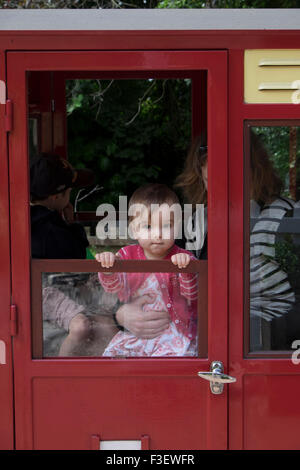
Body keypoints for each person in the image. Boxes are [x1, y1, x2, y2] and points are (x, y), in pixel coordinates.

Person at [175, 133, 297, 350]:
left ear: (254, 171)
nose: (223, 191)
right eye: (212, 181)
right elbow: (164, 285)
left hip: (269, 343)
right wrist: (123, 315)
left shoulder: (288, 218)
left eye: (232, 178)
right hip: (204, 333)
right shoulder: (194, 223)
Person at [95, 183, 198, 357]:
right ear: (134, 230)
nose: (158, 234)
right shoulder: (126, 255)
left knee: (172, 365)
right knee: (112, 358)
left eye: (166, 226)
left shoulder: (184, 258)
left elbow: (192, 294)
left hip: (173, 332)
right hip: (135, 334)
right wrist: (108, 268)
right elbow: (114, 288)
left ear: (178, 228)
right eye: (148, 227)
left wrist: (186, 269)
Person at [30, 153, 118, 356]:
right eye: (70, 191)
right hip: (49, 291)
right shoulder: (50, 229)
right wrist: (72, 224)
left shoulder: (26, 219)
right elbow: (76, 254)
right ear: (56, 197)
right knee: (95, 322)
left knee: (105, 323)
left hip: (55, 288)